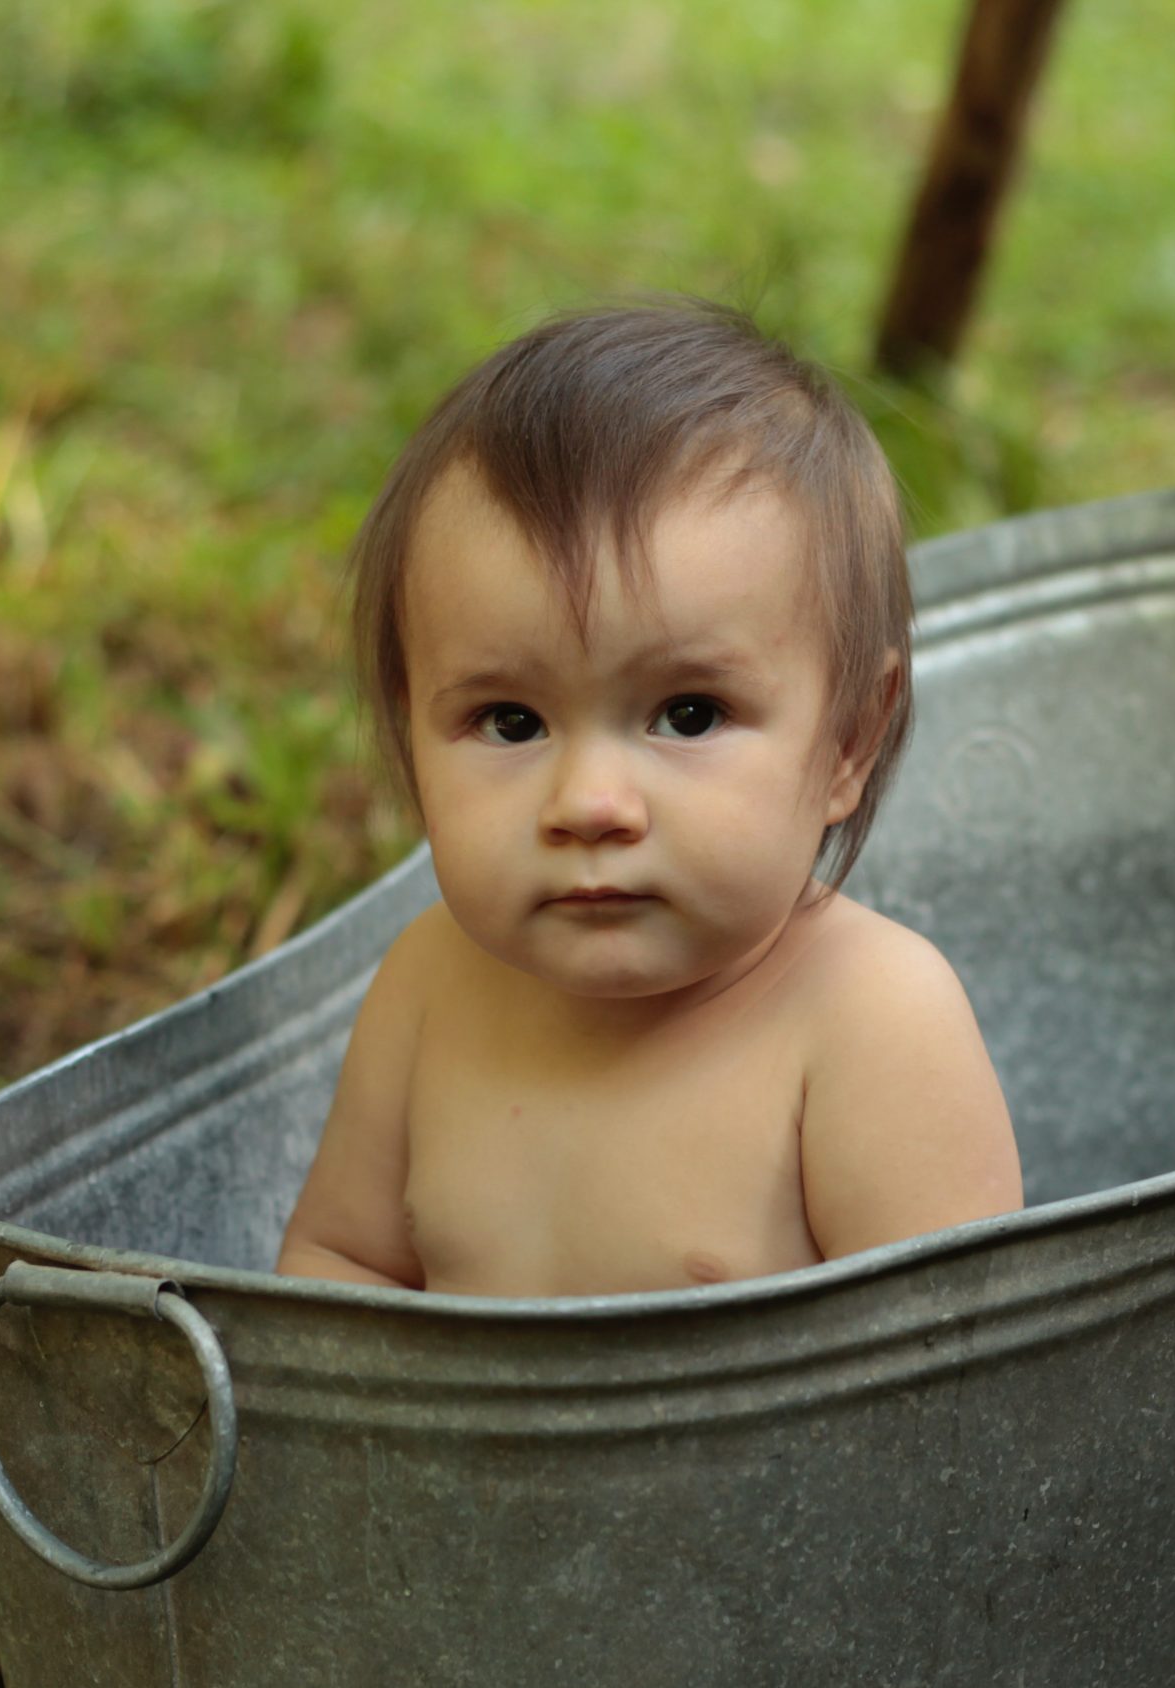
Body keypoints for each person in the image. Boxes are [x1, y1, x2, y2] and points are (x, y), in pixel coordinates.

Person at [275, 298, 1022, 1296]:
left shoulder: (867, 1020)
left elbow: (961, 1382)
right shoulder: (427, 988)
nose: (589, 803)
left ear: (848, 739)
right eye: (510, 722)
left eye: (687, 715)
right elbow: (342, 1267)